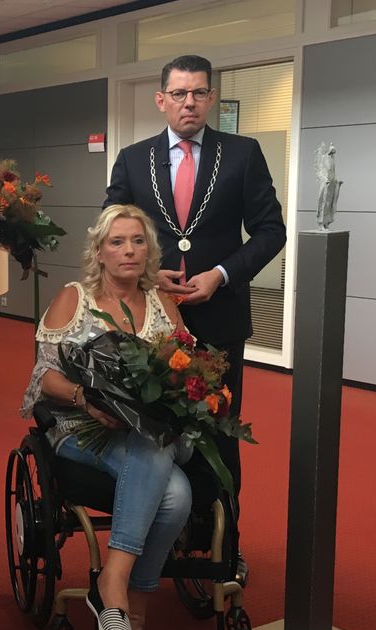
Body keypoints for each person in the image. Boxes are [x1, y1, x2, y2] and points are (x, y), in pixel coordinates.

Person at [103, 54, 285, 524]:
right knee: (156, 428)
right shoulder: (133, 160)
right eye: (180, 93)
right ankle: (162, 532)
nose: (190, 103)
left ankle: (222, 541)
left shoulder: (242, 154)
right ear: (161, 100)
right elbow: (111, 229)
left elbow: (270, 231)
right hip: (152, 320)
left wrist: (221, 273)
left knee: (220, 432)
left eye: (199, 93)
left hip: (220, 317)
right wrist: (148, 273)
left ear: (212, 98)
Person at [21, 204, 192, 630]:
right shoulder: (74, 299)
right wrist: (85, 398)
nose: (128, 250)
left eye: (137, 241)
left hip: (148, 435)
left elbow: (185, 372)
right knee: (172, 483)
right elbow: (44, 378)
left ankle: (120, 597)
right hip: (82, 426)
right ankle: (127, 603)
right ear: (99, 252)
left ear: (148, 250)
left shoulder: (162, 304)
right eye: (117, 242)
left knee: (174, 487)